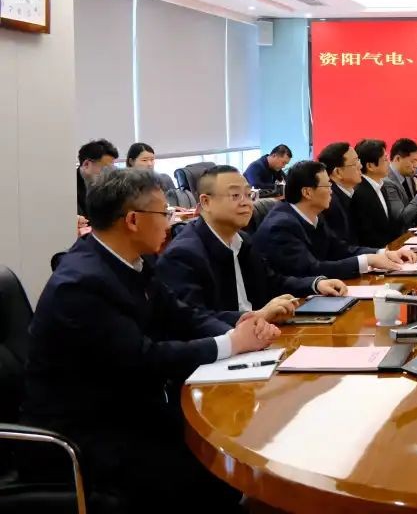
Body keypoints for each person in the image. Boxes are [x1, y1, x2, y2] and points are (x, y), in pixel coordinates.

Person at [23, 168, 279, 512]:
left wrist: (241, 325)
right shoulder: (81, 284)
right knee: (209, 473)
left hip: (131, 408)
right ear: (133, 220)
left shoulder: (130, 260)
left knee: (228, 451)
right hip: (87, 429)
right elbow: (144, 358)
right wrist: (231, 343)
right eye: (164, 213)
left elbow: (181, 314)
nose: (170, 222)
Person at [157, 165, 350, 325]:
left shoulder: (243, 240)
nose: (246, 203)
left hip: (261, 335)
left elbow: (272, 282)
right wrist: (257, 316)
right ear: (206, 202)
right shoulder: (184, 254)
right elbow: (194, 320)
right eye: (235, 196)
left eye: (249, 195)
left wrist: (316, 284)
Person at [252, 160, 416, 279]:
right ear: (307, 192)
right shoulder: (281, 225)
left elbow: (339, 249)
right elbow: (310, 269)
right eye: (327, 186)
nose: (331, 191)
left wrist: (384, 253)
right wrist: (367, 260)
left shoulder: (315, 215)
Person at [350, 139, 402, 248]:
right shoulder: (360, 193)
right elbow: (366, 234)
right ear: (370, 166)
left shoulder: (381, 186)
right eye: (385, 159)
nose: (389, 163)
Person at [316, 141, 363, 246]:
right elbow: (341, 247)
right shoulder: (330, 202)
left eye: (358, 160)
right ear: (338, 172)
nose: (360, 166)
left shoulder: (349, 194)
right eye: (355, 163)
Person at [76, 138, 118, 221]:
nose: (109, 174)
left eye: (112, 169)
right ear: (86, 164)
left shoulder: (108, 185)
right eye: (106, 169)